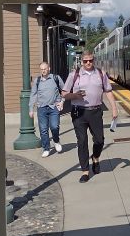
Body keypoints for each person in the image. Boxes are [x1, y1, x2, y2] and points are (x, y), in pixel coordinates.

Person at [62, 51, 118, 183]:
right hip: (78, 113)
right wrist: (75, 95)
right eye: (85, 61)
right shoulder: (74, 75)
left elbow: (108, 91)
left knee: (99, 140)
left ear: (94, 60)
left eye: (90, 60)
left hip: (96, 111)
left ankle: (95, 158)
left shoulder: (101, 74)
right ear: (81, 61)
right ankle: (85, 171)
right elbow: (64, 93)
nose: (88, 63)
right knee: (82, 141)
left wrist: (114, 109)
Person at [29, 62, 65, 157]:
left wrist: (62, 101)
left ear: (49, 68)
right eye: (41, 69)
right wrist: (31, 109)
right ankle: (46, 148)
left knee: (54, 126)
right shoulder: (37, 81)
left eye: (45, 69)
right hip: (42, 108)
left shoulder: (55, 78)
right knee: (43, 129)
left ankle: (56, 141)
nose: (43, 71)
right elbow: (33, 95)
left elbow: (65, 91)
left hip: (54, 107)